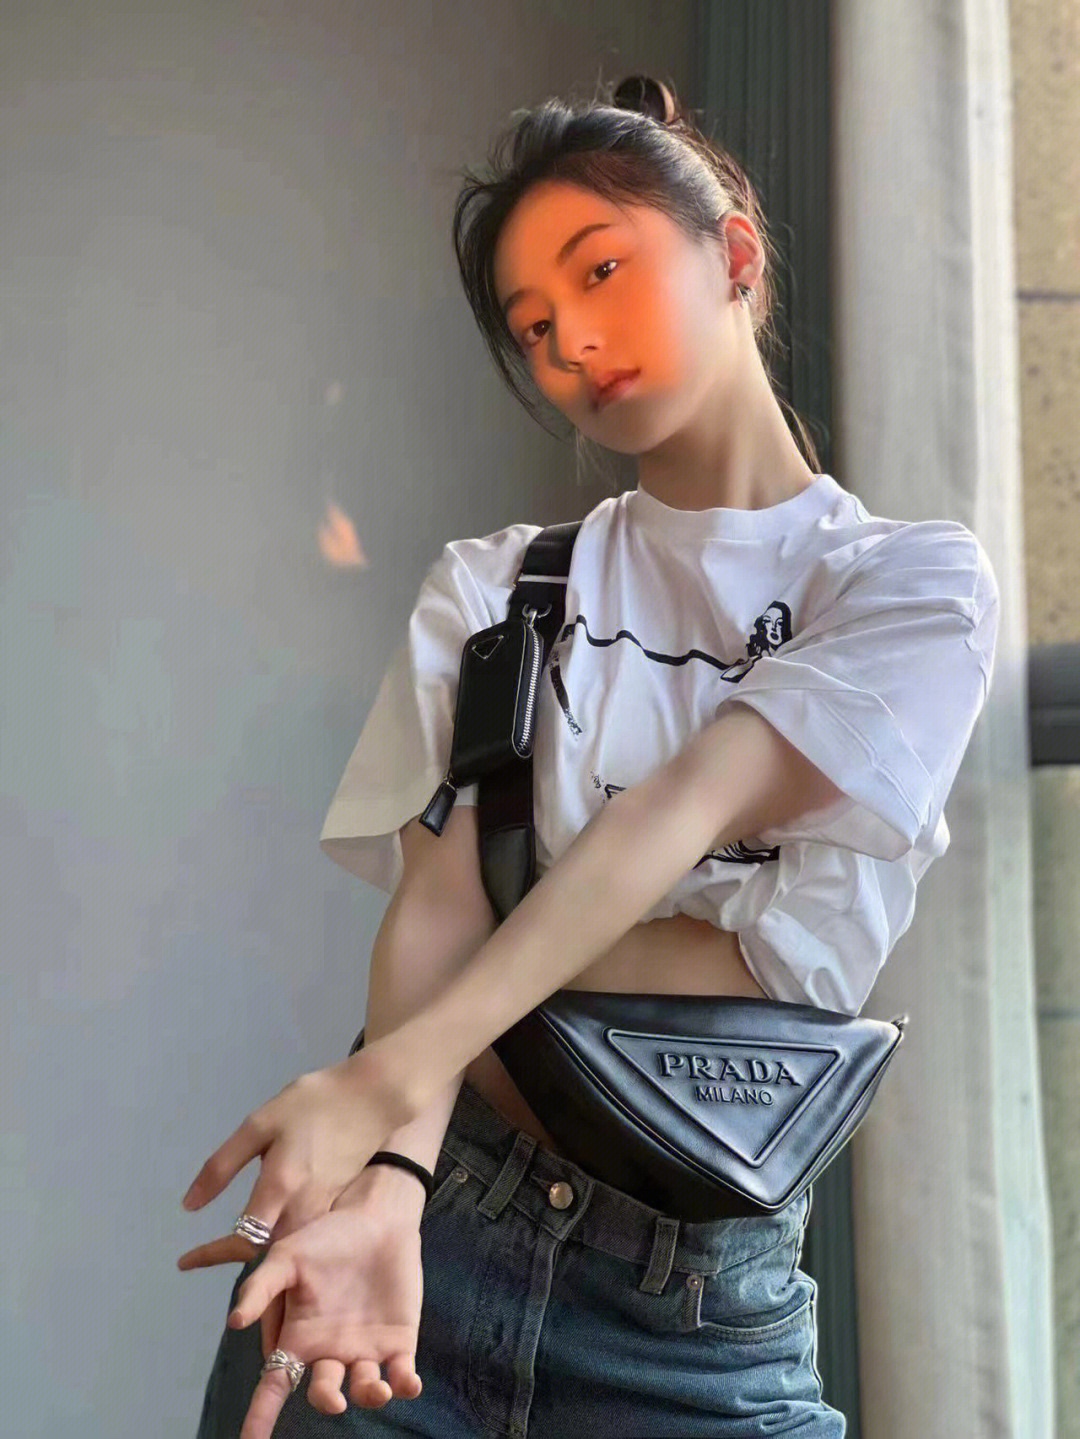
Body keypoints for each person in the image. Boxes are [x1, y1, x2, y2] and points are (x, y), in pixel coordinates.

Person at [182, 74, 999, 1437]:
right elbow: (439, 911)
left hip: (697, 1318)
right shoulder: (497, 585)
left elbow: (685, 816)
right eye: (533, 325)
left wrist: (387, 1076)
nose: (572, 341)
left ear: (735, 253)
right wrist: (390, 1174)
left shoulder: (908, 585)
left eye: (601, 270)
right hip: (420, 1248)